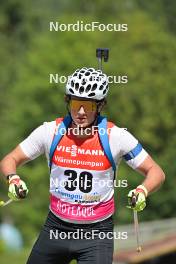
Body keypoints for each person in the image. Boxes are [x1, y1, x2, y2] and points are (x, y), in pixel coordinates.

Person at [0, 67, 165, 264]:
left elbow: (156, 172)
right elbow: (9, 160)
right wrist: (13, 179)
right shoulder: (50, 132)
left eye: (88, 106)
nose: (80, 112)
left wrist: (143, 190)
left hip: (96, 234)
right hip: (56, 228)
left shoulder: (116, 137)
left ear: (100, 106)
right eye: (76, 103)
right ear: (68, 102)